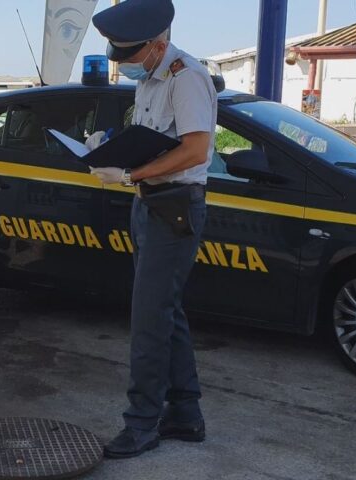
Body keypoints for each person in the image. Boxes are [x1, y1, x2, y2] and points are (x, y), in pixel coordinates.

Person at [86, 0, 218, 459]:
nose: (123, 64)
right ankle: (185, 413)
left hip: (174, 206)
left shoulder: (186, 77)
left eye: (129, 56)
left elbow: (196, 150)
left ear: (158, 45)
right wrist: (108, 149)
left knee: (148, 320)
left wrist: (130, 175)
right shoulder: (153, 75)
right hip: (151, 206)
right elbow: (153, 142)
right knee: (166, 312)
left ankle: (141, 423)